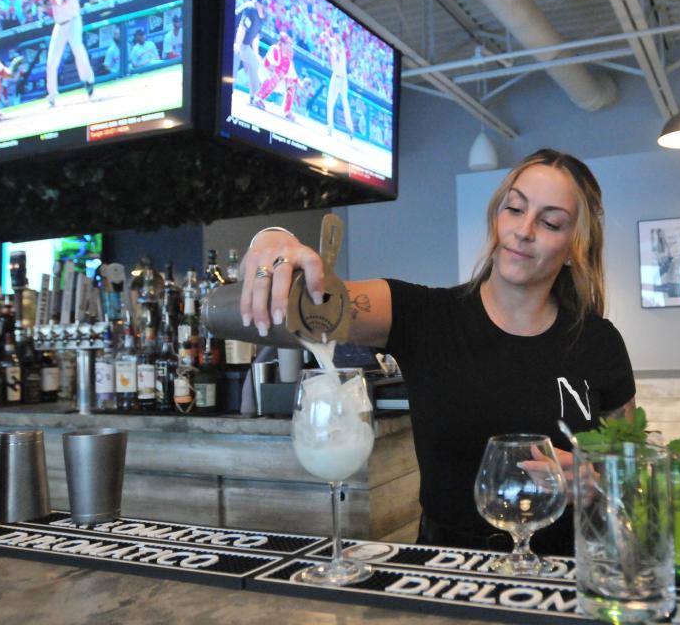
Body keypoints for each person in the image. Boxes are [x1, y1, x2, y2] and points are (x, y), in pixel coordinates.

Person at [240, 149, 636, 555]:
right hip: (445, 568)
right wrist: (271, 239)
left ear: (575, 245)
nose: (524, 230)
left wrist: (599, 482)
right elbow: (298, 309)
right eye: (514, 208)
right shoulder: (421, 315)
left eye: (551, 222)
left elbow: (634, 477)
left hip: (565, 573)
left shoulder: (599, 343)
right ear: (496, 217)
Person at [37, 0, 95, 108]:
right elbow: (45, 4)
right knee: (51, 60)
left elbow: (60, 1)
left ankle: (89, 80)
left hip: (74, 21)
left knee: (77, 48)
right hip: (60, 25)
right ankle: (51, 96)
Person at [254, 30, 310, 120]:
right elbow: (267, 65)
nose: (289, 47)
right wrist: (278, 72)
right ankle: (258, 98)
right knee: (275, 76)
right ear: (282, 43)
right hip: (264, 74)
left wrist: (302, 86)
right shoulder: (275, 49)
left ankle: (287, 111)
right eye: (287, 44)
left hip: (277, 80)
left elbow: (294, 77)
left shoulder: (288, 58)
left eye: (290, 45)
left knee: (291, 83)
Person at [233, 0, 267, 108]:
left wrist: (256, 54)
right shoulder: (251, 8)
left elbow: (255, 36)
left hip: (244, 44)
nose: (262, 6)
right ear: (257, 3)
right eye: (260, 3)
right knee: (234, 60)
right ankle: (226, 90)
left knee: (255, 63)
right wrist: (237, 44)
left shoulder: (262, 16)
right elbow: (242, 27)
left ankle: (255, 97)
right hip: (232, 38)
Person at [320, 24, 354, 138]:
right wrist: (326, 38)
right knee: (330, 103)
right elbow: (325, 40)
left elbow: (336, 51)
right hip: (335, 77)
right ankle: (330, 128)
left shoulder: (341, 46)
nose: (337, 35)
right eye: (336, 32)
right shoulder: (333, 44)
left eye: (338, 33)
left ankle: (350, 129)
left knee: (345, 103)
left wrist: (328, 40)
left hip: (343, 79)